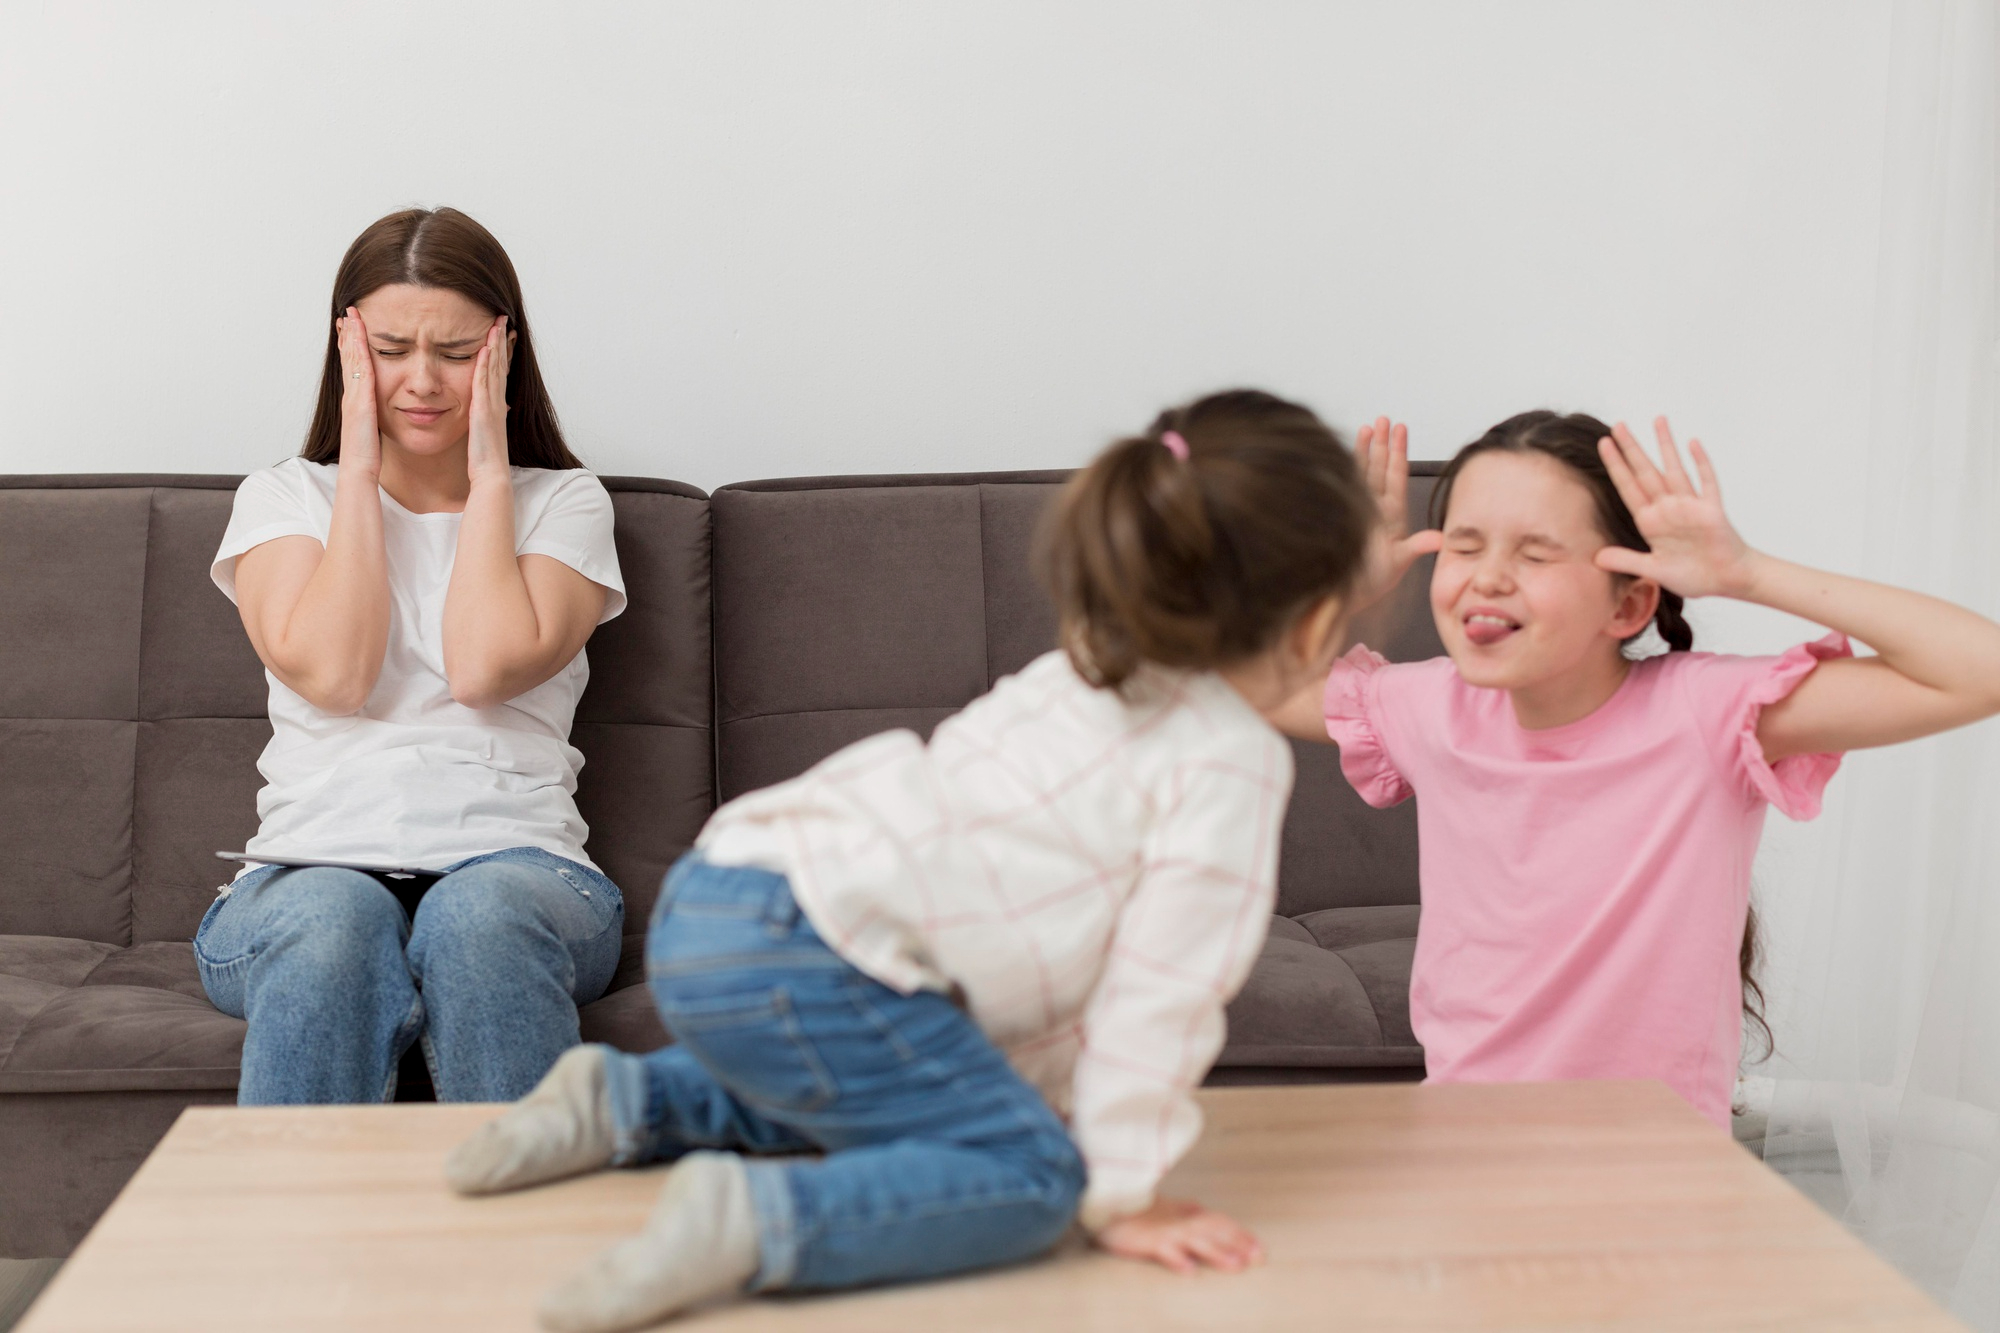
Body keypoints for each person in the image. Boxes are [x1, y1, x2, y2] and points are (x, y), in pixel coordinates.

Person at [443, 389, 1379, 1332]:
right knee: (1034, 1176)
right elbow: (1159, 996)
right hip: (822, 951)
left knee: (893, 1090)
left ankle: (625, 1102)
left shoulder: (1081, 668)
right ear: (1312, 623)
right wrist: (1123, 1188)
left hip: (729, 896)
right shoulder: (1229, 761)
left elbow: (1032, 980)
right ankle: (754, 1220)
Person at [1300, 410, 2000, 1129]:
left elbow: (1980, 671)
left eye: (1535, 554)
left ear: (1628, 602)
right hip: (1470, 1150)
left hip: (1659, 1168)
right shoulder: (1431, 707)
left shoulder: (1704, 712)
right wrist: (1341, 590)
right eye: (1465, 546)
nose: (1488, 577)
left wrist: (1749, 572)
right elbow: (1232, 684)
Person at [197, 207, 627, 1106]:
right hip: (304, 873)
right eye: (391, 349)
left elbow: (482, 666)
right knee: (334, 918)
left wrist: (489, 475)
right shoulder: (284, 499)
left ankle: (527, 1244)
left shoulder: (565, 505)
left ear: (505, 350)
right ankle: (293, 1246)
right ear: (346, 347)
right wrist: (356, 465)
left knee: (476, 917)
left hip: (523, 872)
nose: (422, 381)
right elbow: (337, 674)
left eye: (458, 353)